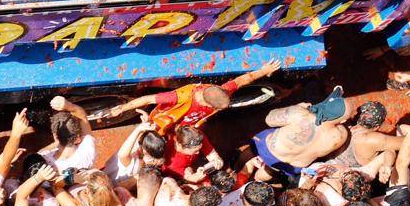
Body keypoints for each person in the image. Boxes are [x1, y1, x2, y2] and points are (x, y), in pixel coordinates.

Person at [106, 60, 280, 132]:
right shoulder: (180, 97)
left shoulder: (221, 91)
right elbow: (148, 99)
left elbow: (243, 80)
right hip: (165, 121)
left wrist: (263, 71)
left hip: (186, 126)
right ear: (206, 102)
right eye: (216, 108)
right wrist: (122, 108)